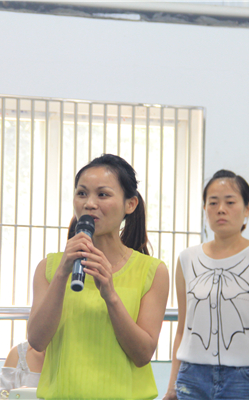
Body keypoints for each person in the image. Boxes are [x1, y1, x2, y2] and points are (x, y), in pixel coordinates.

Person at [27, 154, 169, 399]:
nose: (89, 203)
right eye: (82, 193)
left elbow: (143, 354)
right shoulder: (49, 268)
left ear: (130, 204)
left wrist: (110, 295)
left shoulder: (152, 271)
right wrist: (62, 273)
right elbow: (37, 341)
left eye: (103, 194)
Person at [164, 169, 249, 400]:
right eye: (213, 203)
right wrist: (172, 386)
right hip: (192, 377)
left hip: (246, 379)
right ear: (204, 208)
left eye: (230, 202)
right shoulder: (187, 258)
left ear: (247, 208)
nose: (221, 209)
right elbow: (182, 330)